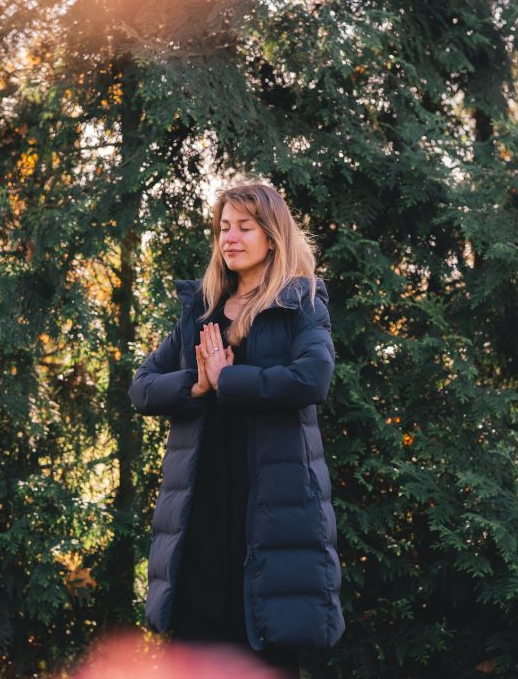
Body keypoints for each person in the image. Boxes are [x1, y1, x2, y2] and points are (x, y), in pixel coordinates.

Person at [128, 182, 345, 677]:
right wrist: (198, 385)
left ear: (271, 235)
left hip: (271, 511)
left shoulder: (301, 303)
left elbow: (313, 378)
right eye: (224, 227)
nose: (230, 237)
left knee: (264, 649)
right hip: (201, 509)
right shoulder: (200, 311)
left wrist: (230, 379)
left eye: (244, 227)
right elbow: (142, 387)